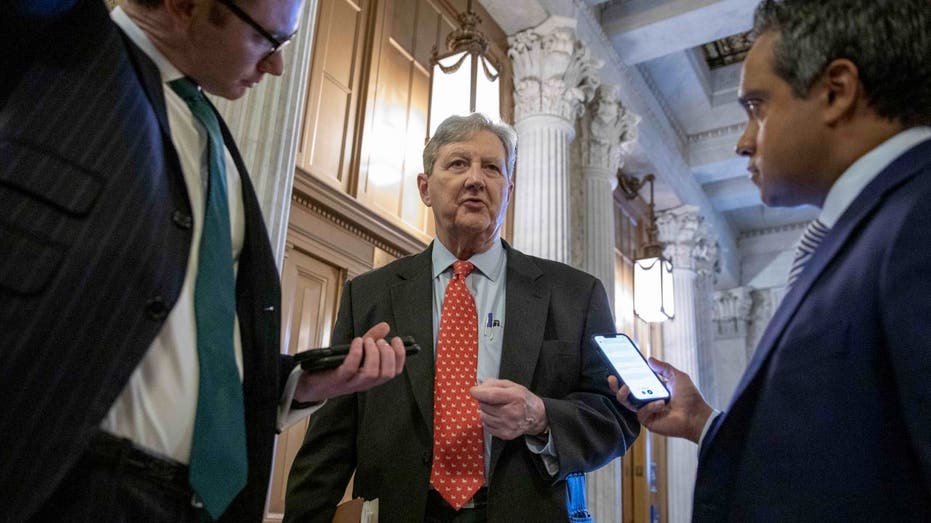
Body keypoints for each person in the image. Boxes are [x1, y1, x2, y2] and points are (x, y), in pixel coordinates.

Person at [0, 0, 407, 521]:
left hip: (198, 503)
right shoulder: (59, 51)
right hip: (63, 485)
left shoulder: (212, 137)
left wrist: (298, 384)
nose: (277, 66)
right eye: (270, 40)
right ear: (185, 6)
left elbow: (185, 343)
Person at [611, 0, 931, 520]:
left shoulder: (917, 219)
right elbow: (846, 459)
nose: (742, 141)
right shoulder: (868, 229)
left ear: (836, 92)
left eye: (757, 107)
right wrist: (701, 422)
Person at [284, 113, 639, 522]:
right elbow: (330, 441)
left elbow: (616, 418)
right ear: (425, 188)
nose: (475, 179)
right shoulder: (368, 296)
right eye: (457, 164)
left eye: (491, 167)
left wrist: (541, 416)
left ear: (509, 188)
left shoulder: (575, 294)